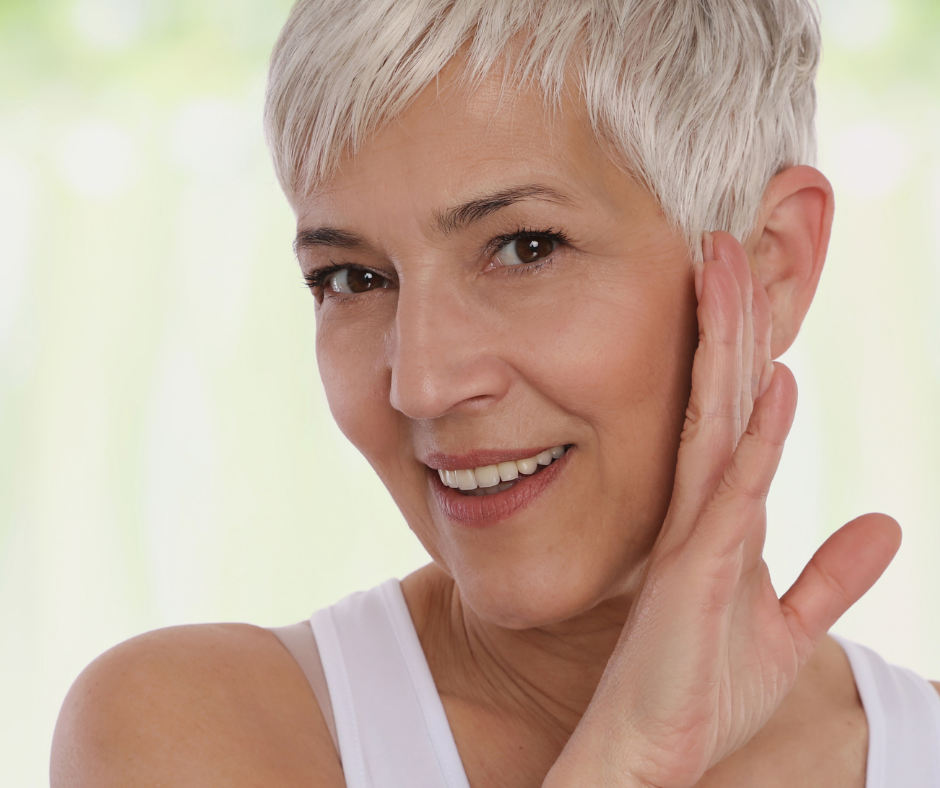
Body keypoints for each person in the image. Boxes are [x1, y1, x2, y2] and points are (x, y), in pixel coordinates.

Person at [51, 0, 940, 786]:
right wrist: (626, 759)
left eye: (525, 248)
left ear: (772, 264)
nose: (422, 382)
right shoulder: (185, 732)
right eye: (353, 278)